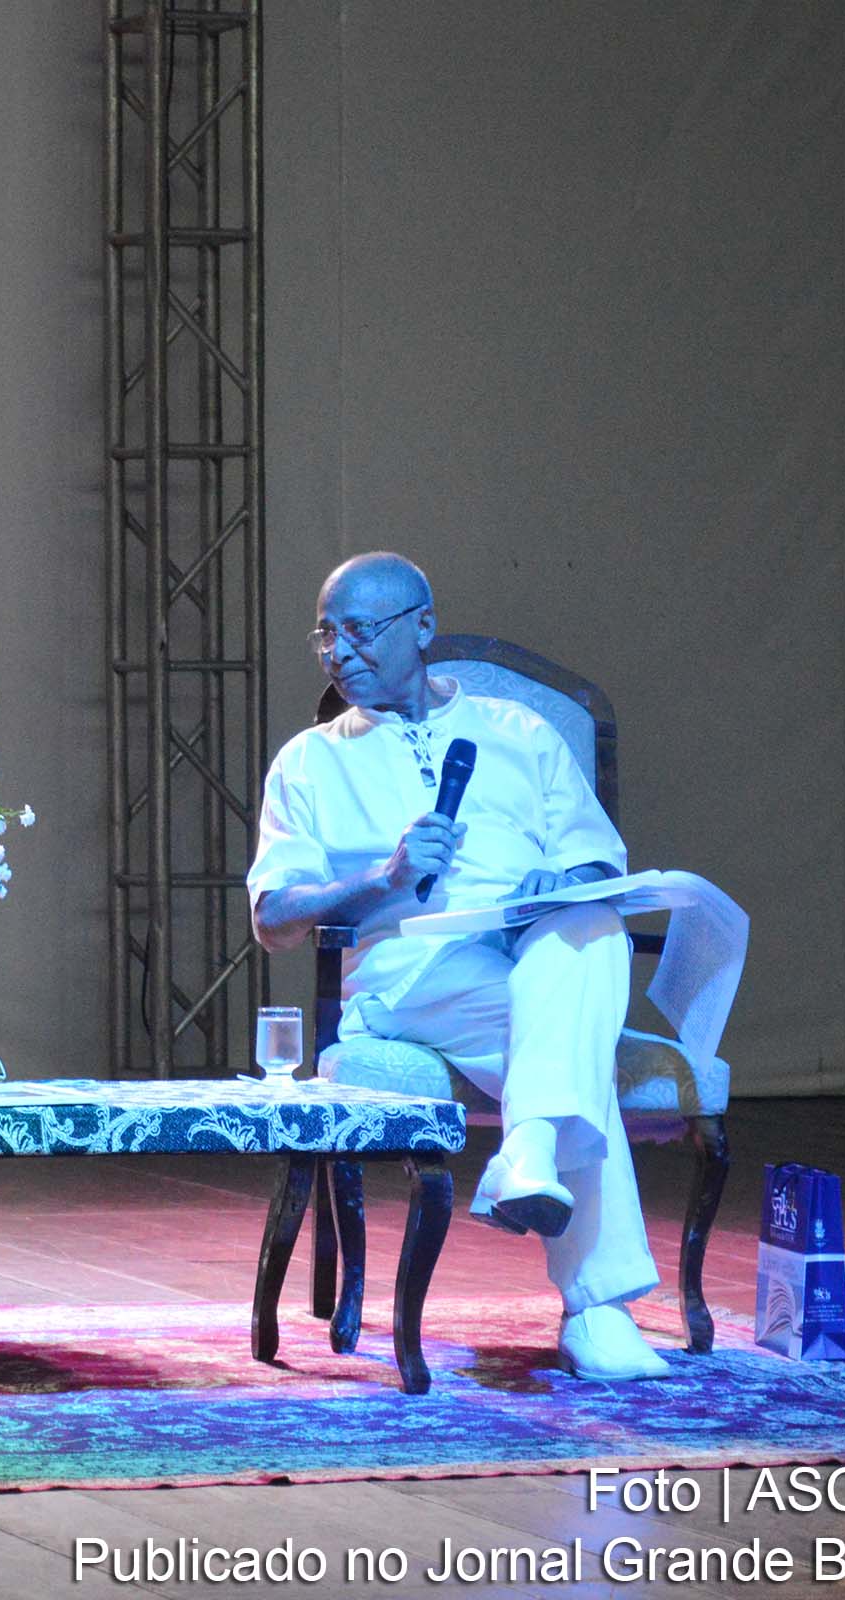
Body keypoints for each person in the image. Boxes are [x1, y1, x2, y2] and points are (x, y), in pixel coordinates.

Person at [247, 552, 670, 1381]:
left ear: (423, 627)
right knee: (569, 1031)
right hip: (411, 977)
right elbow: (272, 917)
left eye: (359, 630)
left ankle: (533, 1155)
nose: (339, 652)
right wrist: (383, 879)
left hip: (527, 961)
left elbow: (597, 858)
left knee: (591, 927)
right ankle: (596, 1306)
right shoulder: (310, 760)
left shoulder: (522, 734)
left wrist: (561, 883)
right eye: (325, 636)